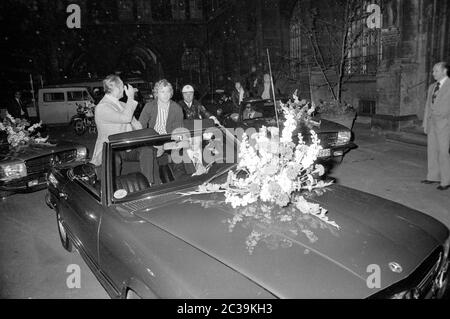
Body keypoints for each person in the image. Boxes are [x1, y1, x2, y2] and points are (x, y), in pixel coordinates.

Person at [138, 79, 184, 185]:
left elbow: (178, 133)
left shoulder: (176, 108)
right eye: (162, 92)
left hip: (169, 139)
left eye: (168, 91)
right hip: (152, 139)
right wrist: (152, 143)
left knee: (178, 151)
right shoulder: (149, 106)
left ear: (171, 93)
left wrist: (164, 146)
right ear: (156, 93)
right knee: (148, 152)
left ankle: (180, 184)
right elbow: (141, 128)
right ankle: (151, 184)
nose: (165, 95)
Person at [91, 75, 139, 167]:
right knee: (113, 159)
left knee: (148, 150)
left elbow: (137, 125)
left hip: (126, 146)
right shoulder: (102, 107)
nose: (124, 90)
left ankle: (151, 181)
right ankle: (110, 181)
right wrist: (131, 97)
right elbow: (126, 118)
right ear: (116, 88)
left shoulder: (122, 104)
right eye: (122, 87)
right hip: (109, 149)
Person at [422, 62, 450, 191]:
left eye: (436, 71)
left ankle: (446, 181)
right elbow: (428, 106)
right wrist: (425, 123)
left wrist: (442, 115)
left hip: (445, 124)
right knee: (432, 150)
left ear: (444, 71)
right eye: (433, 71)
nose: (433, 73)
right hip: (432, 123)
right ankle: (433, 176)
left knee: (443, 152)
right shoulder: (432, 86)